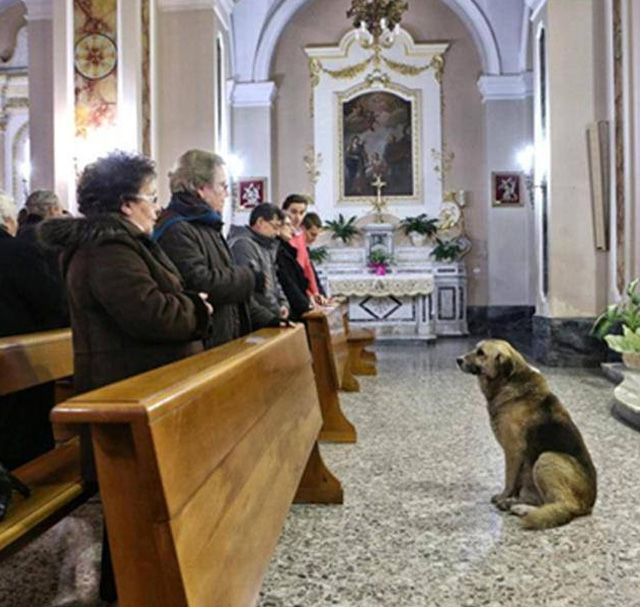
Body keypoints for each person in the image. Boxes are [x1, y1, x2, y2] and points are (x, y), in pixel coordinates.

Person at [39, 151, 213, 603]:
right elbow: (152, 315)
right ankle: (130, 592)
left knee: (140, 508)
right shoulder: (107, 251)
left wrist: (188, 304)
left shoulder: (124, 244)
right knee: (131, 508)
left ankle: (145, 586)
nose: (157, 207)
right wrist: (199, 308)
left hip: (140, 389)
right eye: (150, 198)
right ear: (125, 204)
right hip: (125, 396)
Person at [154, 149, 274, 349]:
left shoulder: (207, 226)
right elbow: (199, 282)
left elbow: (233, 296)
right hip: (203, 343)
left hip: (223, 339)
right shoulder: (176, 228)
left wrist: (269, 319)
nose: (226, 194)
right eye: (223, 186)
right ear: (201, 188)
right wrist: (249, 278)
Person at [0, 192, 68, 471]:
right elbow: (53, 304)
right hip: (21, 364)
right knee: (23, 445)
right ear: (8, 220)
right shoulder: (19, 253)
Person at [228, 203, 289, 321]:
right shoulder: (243, 245)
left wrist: (284, 304)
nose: (277, 233)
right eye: (275, 227)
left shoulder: (266, 246)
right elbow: (254, 288)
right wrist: (276, 310)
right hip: (256, 316)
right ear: (260, 222)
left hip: (271, 312)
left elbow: (274, 281)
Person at [281, 193, 321, 298]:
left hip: (303, 291)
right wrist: (308, 295)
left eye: (301, 213)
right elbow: (292, 274)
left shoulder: (300, 235)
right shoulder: (282, 238)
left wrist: (315, 292)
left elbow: (307, 267)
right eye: (293, 212)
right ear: (284, 211)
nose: (297, 217)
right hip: (291, 293)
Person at [276, 215, 313, 321]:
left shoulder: (288, 250)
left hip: (297, 305)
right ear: (278, 227)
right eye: (288, 225)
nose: (292, 230)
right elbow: (286, 281)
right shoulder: (278, 251)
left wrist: (311, 296)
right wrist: (304, 305)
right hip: (290, 308)